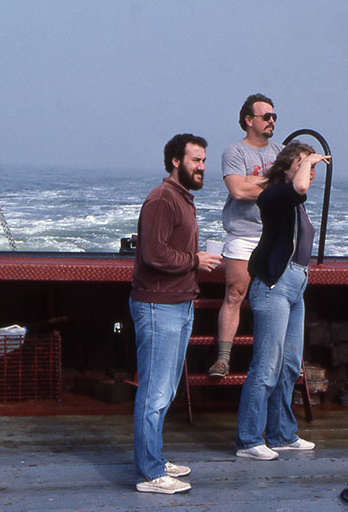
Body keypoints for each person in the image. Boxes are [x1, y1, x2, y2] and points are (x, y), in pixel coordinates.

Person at [129, 133, 222, 493]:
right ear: (175, 162)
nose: (201, 167)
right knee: (154, 392)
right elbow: (153, 253)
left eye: (203, 161)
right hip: (158, 307)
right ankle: (149, 473)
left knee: (164, 391)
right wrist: (197, 261)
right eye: (195, 160)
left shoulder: (182, 199)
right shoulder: (162, 199)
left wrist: (194, 263)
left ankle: (153, 457)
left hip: (179, 305)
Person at [235, 141, 330, 460]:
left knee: (289, 364)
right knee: (267, 365)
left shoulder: (295, 203)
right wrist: (308, 162)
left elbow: (301, 186)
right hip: (273, 285)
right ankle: (249, 439)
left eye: (315, 167)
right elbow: (299, 185)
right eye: (305, 164)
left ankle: (281, 434)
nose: (311, 172)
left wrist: (308, 163)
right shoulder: (275, 194)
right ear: (287, 166)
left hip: (296, 287)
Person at [209, 93, 284, 378]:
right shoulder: (235, 152)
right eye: (266, 116)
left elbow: (290, 188)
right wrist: (272, 182)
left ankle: (272, 359)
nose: (272, 121)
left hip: (275, 236)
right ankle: (223, 359)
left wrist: (254, 181)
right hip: (243, 235)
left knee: (275, 299)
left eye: (274, 116)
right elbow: (238, 191)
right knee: (235, 294)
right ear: (248, 120)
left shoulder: (281, 151)